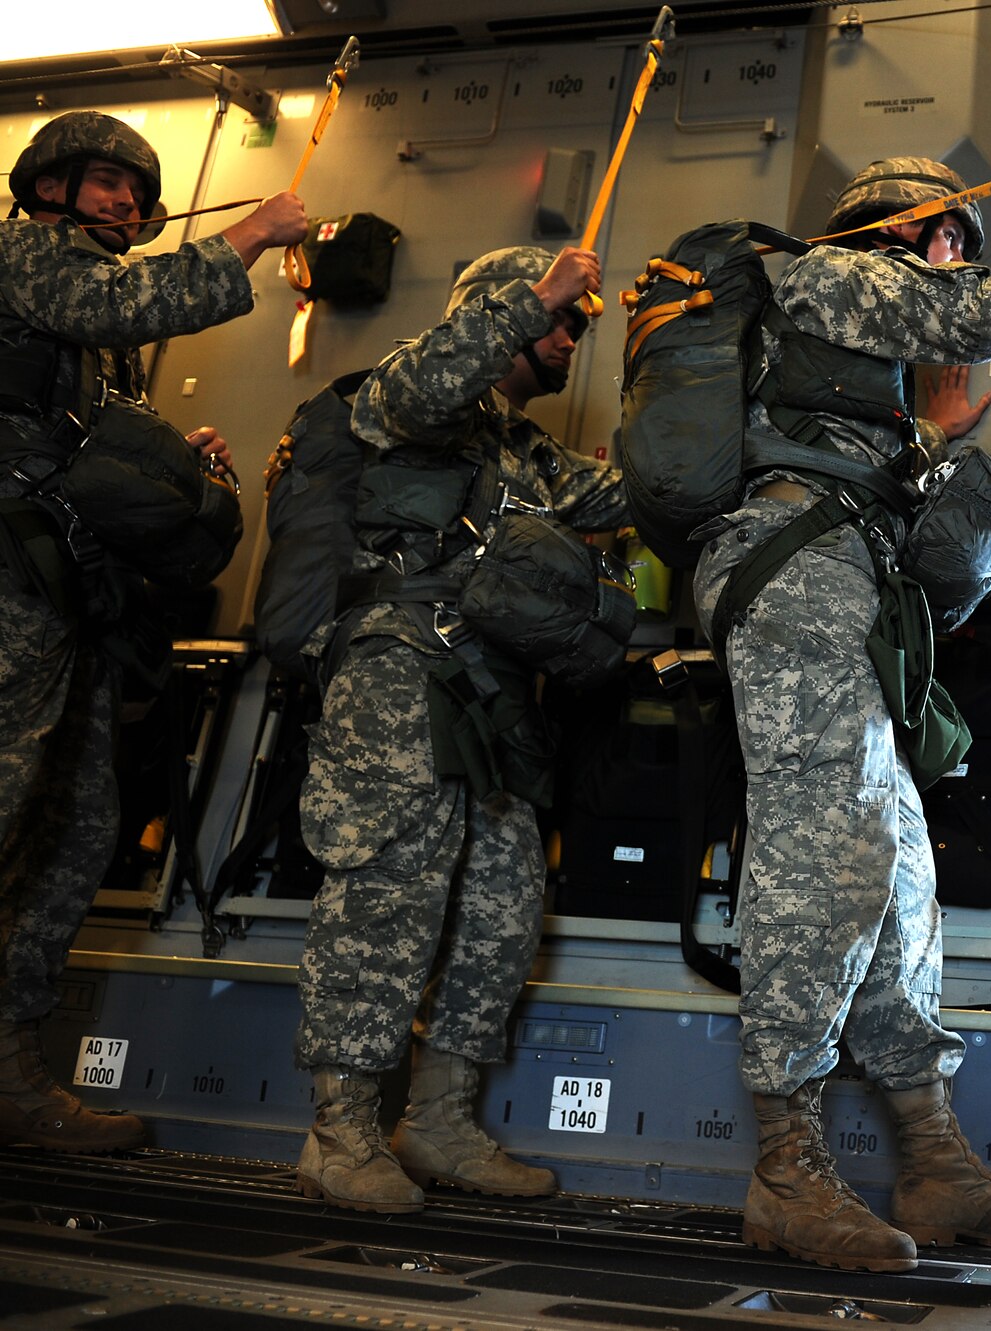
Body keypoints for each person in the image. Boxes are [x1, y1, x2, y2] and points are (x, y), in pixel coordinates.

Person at [688, 145, 991, 1273]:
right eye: (949, 247)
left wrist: (934, 448)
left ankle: (932, 1162)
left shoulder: (851, 339)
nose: (950, 270)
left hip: (845, 578)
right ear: (922, 232)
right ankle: (784, 1169)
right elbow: (985, 310)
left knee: (895, 874)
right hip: (792, 578)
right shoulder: (827, 272)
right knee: (823, 855)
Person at [292, 244, 628, 1214]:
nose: (570, 337)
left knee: (498, 907)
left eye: (577, 324)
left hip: (491, 691)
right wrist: (534, 295)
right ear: (502, 314)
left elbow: (634, 495)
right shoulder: (409, 402)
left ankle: (438, 1122)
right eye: (562, 321)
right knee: (385, 899)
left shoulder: (524, 453)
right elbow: (427, 378)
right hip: (399, 668)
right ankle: (339, 1132)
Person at [1, 111, 306, 1151]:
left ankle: (11, 1075)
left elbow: (75, 444)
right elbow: (121, 296)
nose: (128, 202)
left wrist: (173, 455)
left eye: (138, 191)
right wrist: (251, 236)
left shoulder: (94, 346)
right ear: (50, 185)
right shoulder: (30, 257)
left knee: (70, 830)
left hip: (66, 599)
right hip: (9, 589)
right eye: (106, 183)